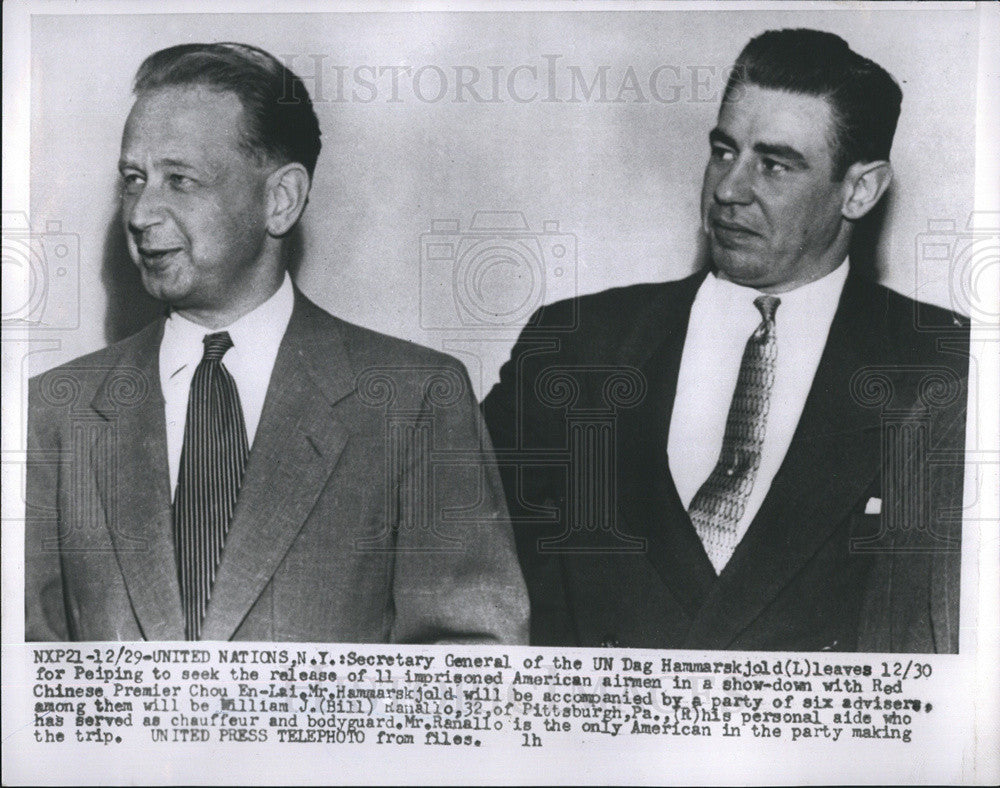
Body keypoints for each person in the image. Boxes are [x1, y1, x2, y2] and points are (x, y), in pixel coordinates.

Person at [482, 29, 969, 653]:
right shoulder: (575, 345)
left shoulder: (947, 366)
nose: (729, 189)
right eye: (722, 151)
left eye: (774, 164)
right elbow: (471, 577)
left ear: (860, 189)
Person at [26, 42, 528, 643]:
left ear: (280, 199)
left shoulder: (414, 402)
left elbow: (471, 665)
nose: (140, 212)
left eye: (180, 180)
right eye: (134, 179)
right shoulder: (49, 412)